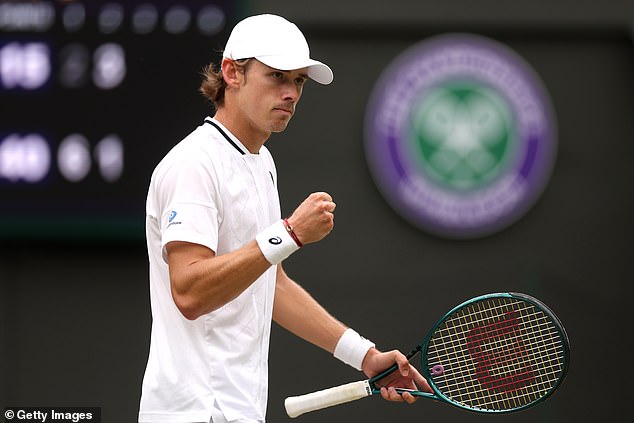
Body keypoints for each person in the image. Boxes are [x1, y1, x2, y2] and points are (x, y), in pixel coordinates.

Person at [138, 14, 431, 423]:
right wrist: (290, 233)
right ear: (231, 73)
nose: (291, 93)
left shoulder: (262, 163)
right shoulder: (194, 164)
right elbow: (189, 293)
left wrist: (365, 356)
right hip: (195, 411)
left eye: (298, 81)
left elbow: (270, 282)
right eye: (276, 76)